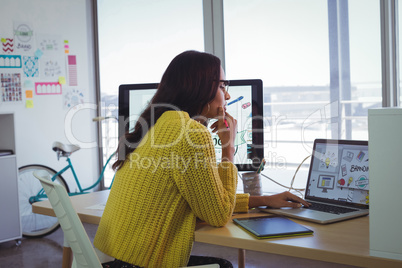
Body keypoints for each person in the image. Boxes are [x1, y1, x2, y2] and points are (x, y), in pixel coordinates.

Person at [94, 50, 310, 268]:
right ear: (200, 88)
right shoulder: (191, 133)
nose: (227, 96)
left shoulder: (157, 124)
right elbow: (218, 214)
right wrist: (228, 147)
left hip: (120, 259)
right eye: (222, 86)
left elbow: (207, 199)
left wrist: (264, 201)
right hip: (144, 262)